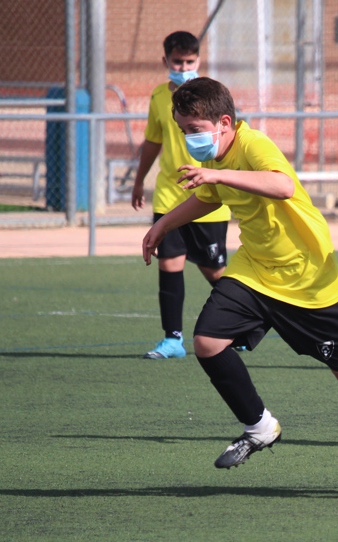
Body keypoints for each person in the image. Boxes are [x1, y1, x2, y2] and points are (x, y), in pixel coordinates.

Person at [141, 77, 338, 477]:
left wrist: (218, 177)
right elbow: (207, 197)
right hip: (256, 269)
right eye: (184, 131)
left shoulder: (253, 144)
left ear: (224, 122)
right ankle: (259, 426)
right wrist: (163, 225)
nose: (189, 139)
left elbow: (282, 185)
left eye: (195, 130)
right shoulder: (215, 157)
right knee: (207, 341)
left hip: (307, 275)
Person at [132, 31, 232, 360]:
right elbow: (153, 141)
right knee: (169, 263)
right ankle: (172, 339)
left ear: (199, 60)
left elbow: (230, 140)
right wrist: (139, 180)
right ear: (166, 61)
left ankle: (247, 322)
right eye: (178, 61)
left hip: (208, 199)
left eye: (190, 61)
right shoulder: (158, 96)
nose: (184, 67)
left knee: (214, 271)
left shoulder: (212, 96)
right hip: (169, 196)